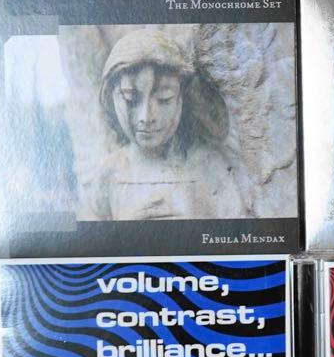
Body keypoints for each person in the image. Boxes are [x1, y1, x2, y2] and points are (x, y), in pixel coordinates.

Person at [81, 28, 245, 221]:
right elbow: (91, 232)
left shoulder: (209, 166)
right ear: (111, 99)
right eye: (131, 100)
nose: (146, 116)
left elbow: (238, 229)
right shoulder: (109, 174)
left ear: (182, 98)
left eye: (164, 99)